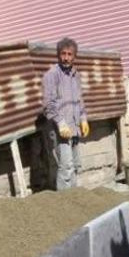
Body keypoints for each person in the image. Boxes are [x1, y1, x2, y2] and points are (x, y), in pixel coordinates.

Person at [40, 36, 89, 190]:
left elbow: (79, 100)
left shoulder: (75, 75)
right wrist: (61, 123)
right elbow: (48, 104)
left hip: (74, 127)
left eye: (69, 54)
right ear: (58, 54)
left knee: (75, 166)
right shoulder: (52, 75)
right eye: (63, 54)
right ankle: (64, 200)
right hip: (59, 129)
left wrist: (83, 118)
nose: (66, 58)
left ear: (74, 56)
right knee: (66, 167)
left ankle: (74, 197)